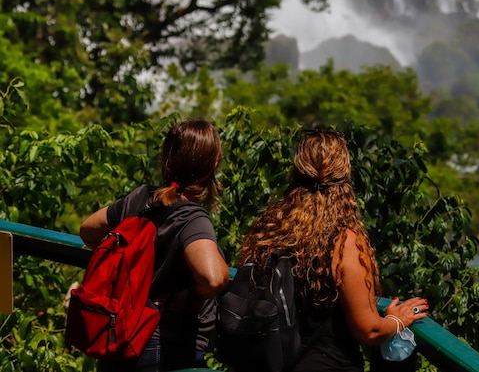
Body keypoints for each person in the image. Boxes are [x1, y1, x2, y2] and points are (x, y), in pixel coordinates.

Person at [237, 129, 429, 372]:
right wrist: (396, 320)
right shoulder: (344, 242)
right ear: (345, 173)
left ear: (297, 170)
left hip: (271, 362)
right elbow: (369, 330)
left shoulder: (273, 228)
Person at [79, 119, 231, 372]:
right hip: (164, 345)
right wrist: (192, 294)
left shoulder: (140, 198)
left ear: (166, 157)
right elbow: (213, 279)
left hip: (119, 334)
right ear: (213, 165)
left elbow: (88, 231)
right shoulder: (192, 218)